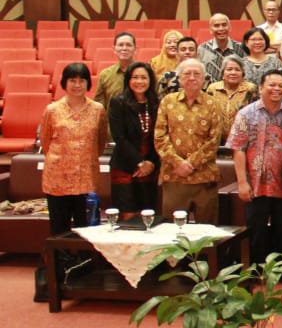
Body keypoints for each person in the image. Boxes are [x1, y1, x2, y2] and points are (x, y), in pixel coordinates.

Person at [228, 70, 282, 264]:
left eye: (280, 85)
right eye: (271, 85)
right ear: (260, 88)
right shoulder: (246, 114)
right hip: (256, 185)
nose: (276, 89)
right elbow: (238, 148)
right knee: (257, 230)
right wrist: (242, 182)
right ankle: (258, 270)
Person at [40, 62, 108, 240]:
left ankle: (84, 266)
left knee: (86, 229)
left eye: (82, 80)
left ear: (88, 83)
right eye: (72, 80)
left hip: (86, 178)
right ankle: (59, 266)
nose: (77, 85)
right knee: (59, 229)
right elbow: (45, 142)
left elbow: (100, 142)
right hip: (57, 179)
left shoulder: (98, 110)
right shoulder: (52, 110)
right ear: (64, 83)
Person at [154, 58, 226, 223]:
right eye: (187, 74)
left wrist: (191, 164)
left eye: (197, 74)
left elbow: (214, 141)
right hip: (174, 176)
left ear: (203, 78)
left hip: (205, 177)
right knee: (172, 232)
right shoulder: (167, 102)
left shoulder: (213, 103)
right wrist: (178, 163)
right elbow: (159, 136)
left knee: (207, 234)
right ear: (179, 78)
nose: (192, 77)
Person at [106, 61, 161, 218]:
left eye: (143, 77)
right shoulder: (118, 102)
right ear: (128, 80)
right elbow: (119, 137)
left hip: (150, 166)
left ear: (150, 80)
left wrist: (151, 163)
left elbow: (160, 136)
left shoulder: (156, 103)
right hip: (125, 165)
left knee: (147, 214)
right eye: (135, 77)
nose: (139, 82)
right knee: (127, 214)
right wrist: (140, 162)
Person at [205, 56, 256, 136]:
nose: (233, 73)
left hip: (243, 137)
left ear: (243, 73)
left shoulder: (250, 89)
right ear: (223, 73)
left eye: (237, 70)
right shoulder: (213, 89)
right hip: (217, 138)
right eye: (229, 69)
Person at [93, 31, 138, 118]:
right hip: (112, 125)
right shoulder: (105, 75)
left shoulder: (145, 73)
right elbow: (99, 103)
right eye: (120, 45)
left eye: (128, 45)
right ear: (114, 49)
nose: (124, 48)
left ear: (135, 49)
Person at [199, 13, 246, 83]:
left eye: (224, 25)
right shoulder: (202, 49)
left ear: (230, 27)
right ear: (211, 29)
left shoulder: (241, 48)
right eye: (216, 26)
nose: (221, 29)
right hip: (210, 91)